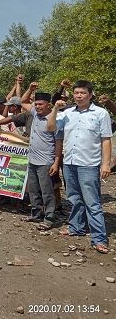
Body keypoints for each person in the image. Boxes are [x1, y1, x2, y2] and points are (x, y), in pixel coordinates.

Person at [47, 80, 111, 254]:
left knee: (93, 202)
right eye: (76, 93)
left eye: (83, 93)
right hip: (69, 162)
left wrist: (106, 163)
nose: (79, 96)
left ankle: (99, 238)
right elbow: (51, 127)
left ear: (90, 95)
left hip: (89, 164)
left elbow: (106, 139)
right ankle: (76, 227)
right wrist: (55, 109)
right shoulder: (67, 113)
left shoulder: (100, 113)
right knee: (74, 198)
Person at [16, 92, 63, 230]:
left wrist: (56, 163)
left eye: (40, 104)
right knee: (34, 190)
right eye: (36, 104)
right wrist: (30, 89)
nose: (37, 107)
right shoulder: (35, 114)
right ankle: (36, 213)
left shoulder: (55, 119)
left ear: (48, 104)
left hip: (46, 161)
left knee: (47, 191)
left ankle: (49, 218)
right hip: (32, 160)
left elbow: (58, 144)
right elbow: (23, 100)